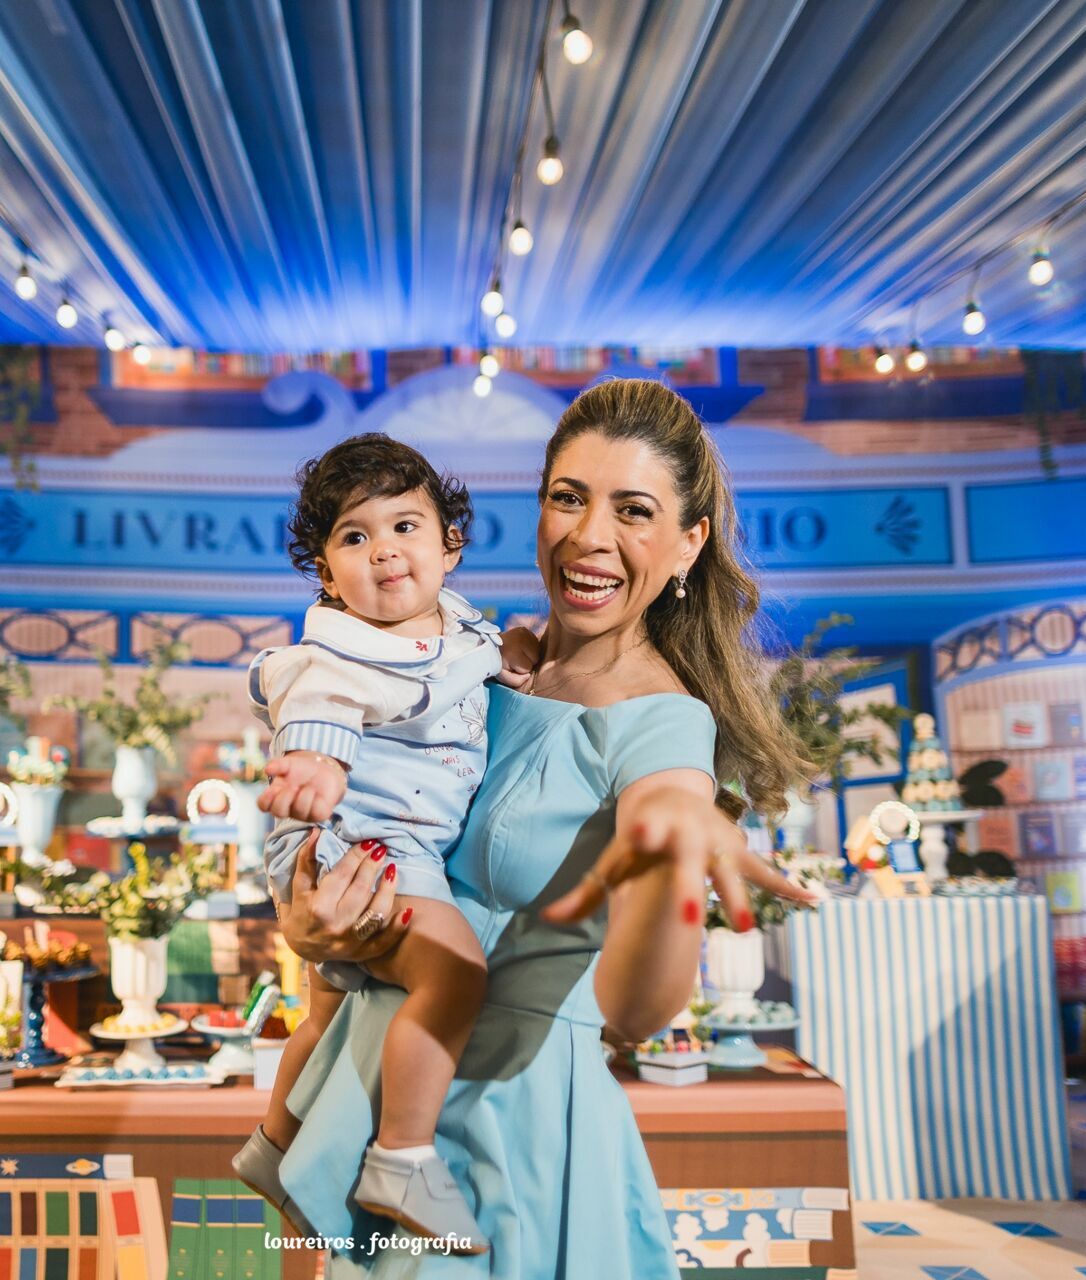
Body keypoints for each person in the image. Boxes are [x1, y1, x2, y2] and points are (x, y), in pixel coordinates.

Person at [269, 378, 818, 1276]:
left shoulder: (664, 724)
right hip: (378, 1107)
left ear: (689, 544)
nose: (589, 535)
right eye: (568, 497)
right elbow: (375, 828)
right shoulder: (475, 662)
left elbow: (638, 1007)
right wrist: (310, 929)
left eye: (633, 510)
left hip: (506, 1131)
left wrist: (675, 847)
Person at [233, 434, 537, 1253]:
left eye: (405, 526)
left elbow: (479, 660)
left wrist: (518, 658)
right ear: (328, 576)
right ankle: (401, 1155)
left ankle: (274, 1143)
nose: (385, 552)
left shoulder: (457, 624)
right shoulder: (338, 649)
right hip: (361, 845)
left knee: (329, 1010)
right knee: (454, 971)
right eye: (354, 538)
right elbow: (316, 707)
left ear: (450, 544)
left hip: (385, 846)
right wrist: (318, 768)